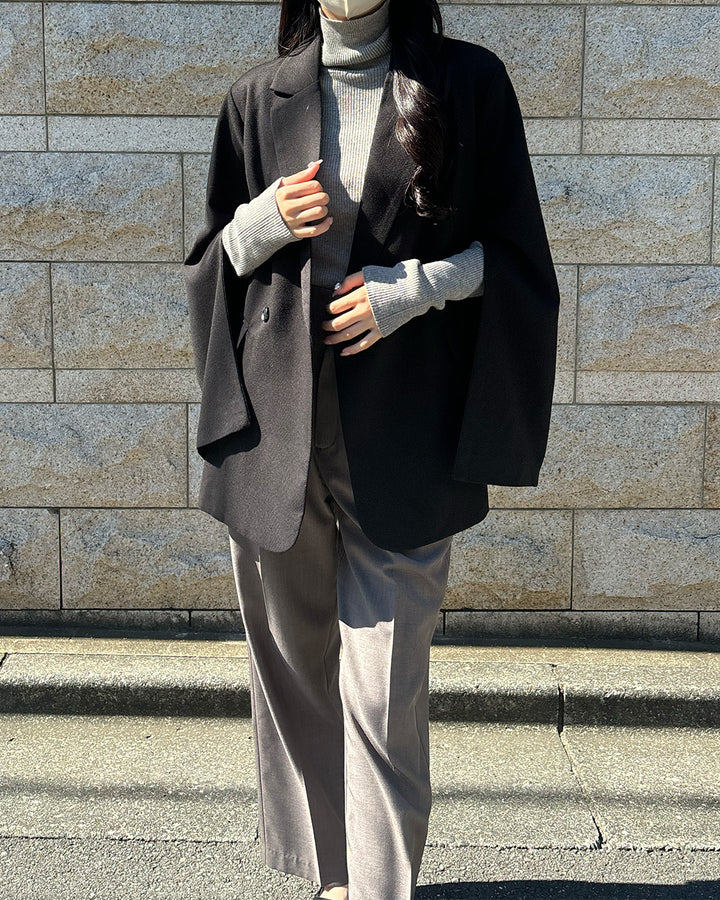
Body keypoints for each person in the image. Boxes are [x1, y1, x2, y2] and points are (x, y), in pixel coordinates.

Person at [183, 0, 560, 897]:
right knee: (295, 673)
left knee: (384, 687)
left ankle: (381, 888)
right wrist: (264, 220)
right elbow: (210, 261)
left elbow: (517, 258)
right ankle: (333, 877)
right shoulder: (256, 97)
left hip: (404, 433)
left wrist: (414, 289)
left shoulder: (467, 83)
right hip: (275, 433)